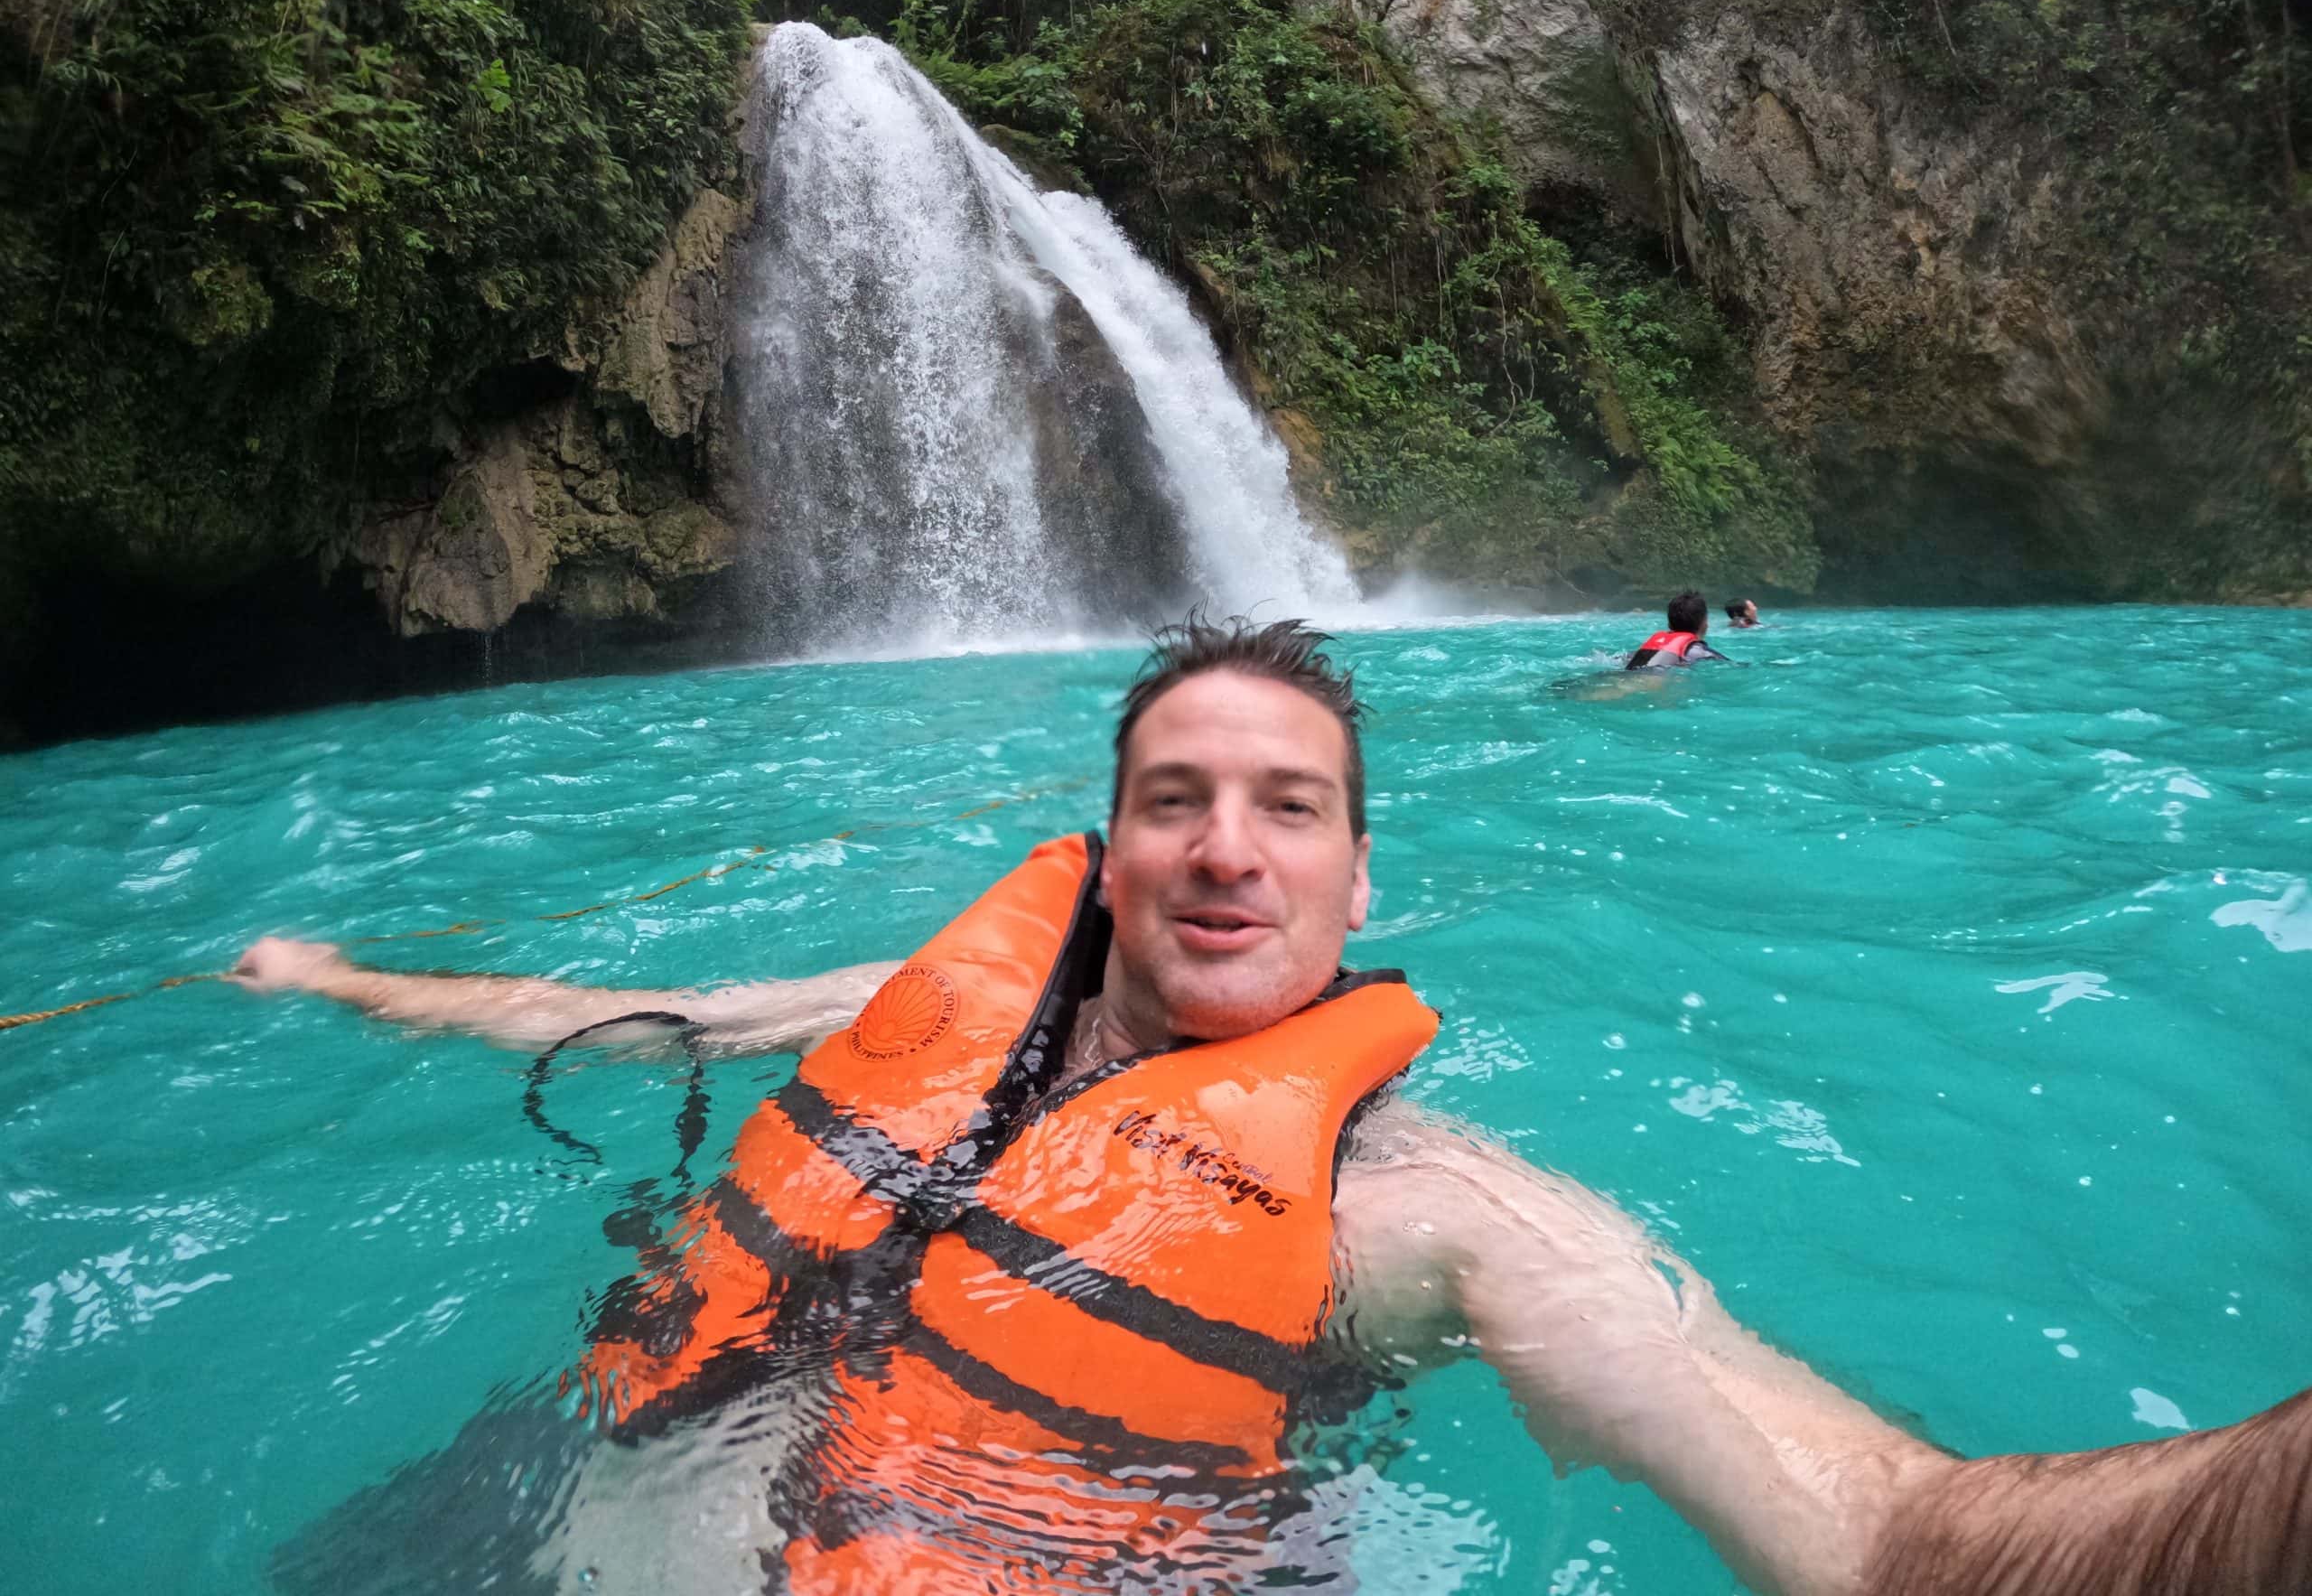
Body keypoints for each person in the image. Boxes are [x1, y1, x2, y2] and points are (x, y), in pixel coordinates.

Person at [234, 617, 2311, 1596]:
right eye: (1175, 801)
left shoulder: (1428, 1210)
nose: (1227, 846)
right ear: (1107, 853)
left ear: (1351, 882)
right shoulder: (936, 1011)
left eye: (1286, 807)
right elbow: (621, 1011)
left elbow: (1882, 1534)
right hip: (555, 1496)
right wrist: (343, 982)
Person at [1626, 588, 1730, 668]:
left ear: (1669, 625)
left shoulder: (1640, 652)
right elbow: (1732, 666)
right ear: (1704, 624)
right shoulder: (1698, 652)